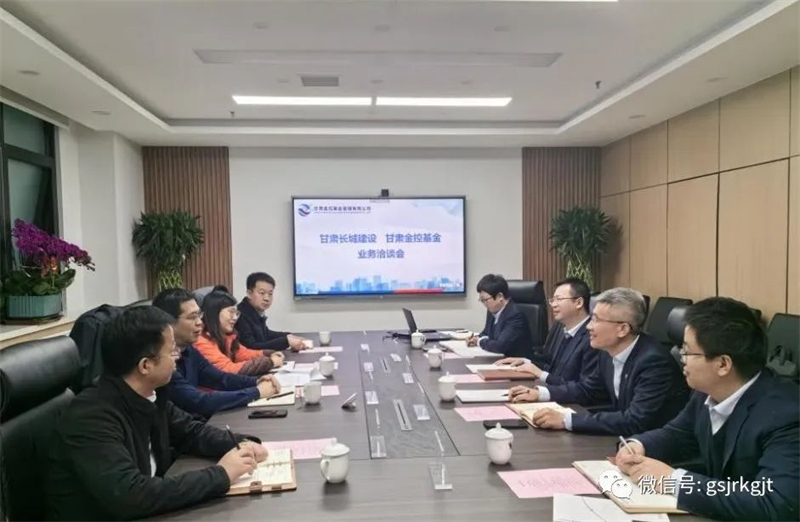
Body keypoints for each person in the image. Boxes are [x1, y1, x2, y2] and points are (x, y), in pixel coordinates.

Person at [45, 306, 266, 520]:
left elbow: (191, 432)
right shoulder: (91, 416)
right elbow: (130, 496)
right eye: (171, 351)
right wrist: (222, 474)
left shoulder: (151, 394)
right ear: (145, 366)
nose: (177, 357)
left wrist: (244, 443)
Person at [614, 297, 799, 521]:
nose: (681, 358)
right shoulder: (707, 390)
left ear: (723, 364)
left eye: (687, 351)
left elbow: (774, 502)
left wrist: (674, 480)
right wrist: (638, 445)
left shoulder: (787, 415)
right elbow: (678, 434)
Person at [508, 287, 689, 436]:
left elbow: (635, 420)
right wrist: (540, 393)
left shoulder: (653, 362)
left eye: (596, 320)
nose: (588, 326)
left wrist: (566, 420)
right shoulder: (607, 351)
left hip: (653, 448)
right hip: (623, 438)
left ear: (622, 329)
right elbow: (588, 389)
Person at [152, 288, 281, 418]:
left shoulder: (189, 350)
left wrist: (256, 381)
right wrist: (256, 392)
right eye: (192, 317)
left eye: (199, 315)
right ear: (168, 323)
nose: (199, 322)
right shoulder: (162, 362)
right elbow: (198, 401)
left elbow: (220, 379)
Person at [497, 277, 597, 385]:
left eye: (559, 299)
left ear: (579, 302)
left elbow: (583, 388)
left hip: (565, 395)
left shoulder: (593, 338)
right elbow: (552, 368)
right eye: (553, 300)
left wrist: (541, 375)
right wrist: (526, 362)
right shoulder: (562, 328)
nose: (553, 305)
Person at [194, 290, 284, 376]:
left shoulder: (227, 336)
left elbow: (243, 353)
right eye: (231, 312)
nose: (235, 318)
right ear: (214, 313)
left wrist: (268, 353)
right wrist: (270, 362)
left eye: (236, 313)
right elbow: (228, 369)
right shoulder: (201, 341)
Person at [237, 272, 309, 351]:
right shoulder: (240, 315)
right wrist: (286, 341)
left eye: (270, 294)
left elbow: (266, 334)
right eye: (262, 293)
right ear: (249, 293)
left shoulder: (253, 310)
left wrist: (288, 336)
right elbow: (251, 347)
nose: (266, 298)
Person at [466, 274, 534, 358]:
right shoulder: (493, 310)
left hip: (515, 362)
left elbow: (500, 346)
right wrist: (476, 338)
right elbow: (486, 333)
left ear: (500, 296)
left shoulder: (515, 315)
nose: (484, 304)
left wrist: (479, 341)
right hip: (498, 359)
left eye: (485, 300)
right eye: (482, 300)